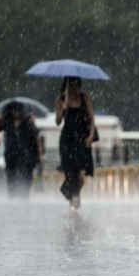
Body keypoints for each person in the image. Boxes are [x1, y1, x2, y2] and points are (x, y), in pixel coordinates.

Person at [55, 77, 95, 211]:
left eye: (76, 85)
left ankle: (72, 193)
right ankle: (73, 198)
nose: (73, 88)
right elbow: (58, 121)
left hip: (82, 140)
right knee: (70, 172)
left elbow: (92, 118)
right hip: (67, 140)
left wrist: (90, 136)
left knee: (82, 173)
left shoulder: (85, 98)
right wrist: (62, 109)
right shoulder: (61, 100)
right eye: (70, 86)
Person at [0, 101, 42, 199]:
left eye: (19, 110)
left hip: (26, 154)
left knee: (26, 175)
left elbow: (36, 136)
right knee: (11, 176)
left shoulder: (28, 122)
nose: (17, 112)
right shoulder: (7, 122)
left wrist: (39, 153)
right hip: (11, 154)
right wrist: (0, 118)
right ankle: (12, 195)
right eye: (15, 110)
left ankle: (24, 195)